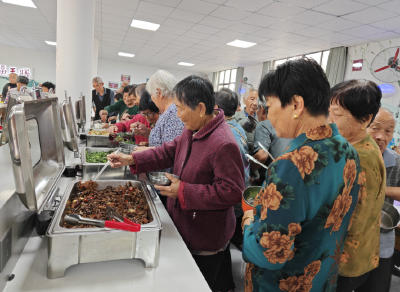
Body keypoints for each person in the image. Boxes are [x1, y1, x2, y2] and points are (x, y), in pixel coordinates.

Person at [108, 75, 244, 292]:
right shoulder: (193, 129)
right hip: (183, 224)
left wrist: (183, 190)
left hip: (204, 238)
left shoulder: (223, 143)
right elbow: (169, 151)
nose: (177, 115)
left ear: (200, 107)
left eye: (180, 109)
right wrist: (134, 158)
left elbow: (232, 192)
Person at [242, 58, 360, 292]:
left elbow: (270, 254)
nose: (267, 116)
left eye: (271, 106)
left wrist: (247, 223)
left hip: (283, 284)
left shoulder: (291, 165)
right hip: (321, 278)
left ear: (296, 104)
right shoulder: (348, 151)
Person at [328, 80, 386, 292]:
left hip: (344, 261)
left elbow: (344, 217)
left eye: (337, 114)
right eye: (329, 111)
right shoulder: (364, 143)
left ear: (366, 119)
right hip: (361, 254)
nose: (329, 119)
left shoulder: (357, 156)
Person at [341, 108, 396, 292]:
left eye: (388, 131)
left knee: (377, 286)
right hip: (352, 240)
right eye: (375, 128)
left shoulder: (395, 161)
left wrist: (377, 190)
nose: (381, 136)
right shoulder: (352, 154)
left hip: (383, 236)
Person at [215, 88, 250, 253]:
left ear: (215, 106)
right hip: (243, 189)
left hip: (233, 196)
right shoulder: (238, 127)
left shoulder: (224, 133)